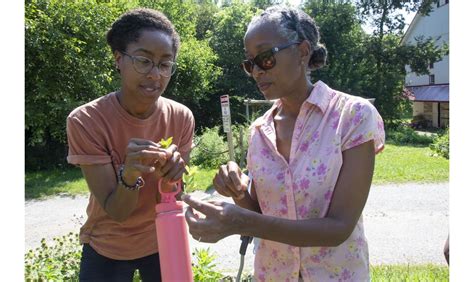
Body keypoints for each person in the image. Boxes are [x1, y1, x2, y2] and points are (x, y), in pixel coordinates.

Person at [183, 5, 384, 281]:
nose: (256, 71)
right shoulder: (259, 131)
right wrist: (240, 192)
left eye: (265, 58)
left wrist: (239, 221)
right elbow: (261, 217)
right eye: (249, 63)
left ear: (302, 51)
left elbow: (339, 227)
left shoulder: (352, 116)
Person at [66, 8, 194, 281]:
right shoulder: (86, 120)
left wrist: (171, 177)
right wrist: (130, 173)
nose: (155, 75)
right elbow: (117, 211)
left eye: (164, 64)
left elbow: (172, 198)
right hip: (106, 247)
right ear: (118, 59)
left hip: (162, 241)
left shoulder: (181, 117)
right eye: (143, 61)